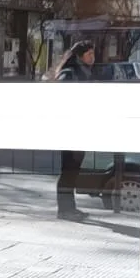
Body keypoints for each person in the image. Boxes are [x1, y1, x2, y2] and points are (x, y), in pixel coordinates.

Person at [48, 40, 95, 219]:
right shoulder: (69, 73)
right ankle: (65, 209)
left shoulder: (83, 71)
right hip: (70, 128)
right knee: (69, 169)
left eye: (93, 53)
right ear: (80, 56)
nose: (92, 57)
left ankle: (70, 207)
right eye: (89, 54)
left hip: (79, 127)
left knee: (73, 169)